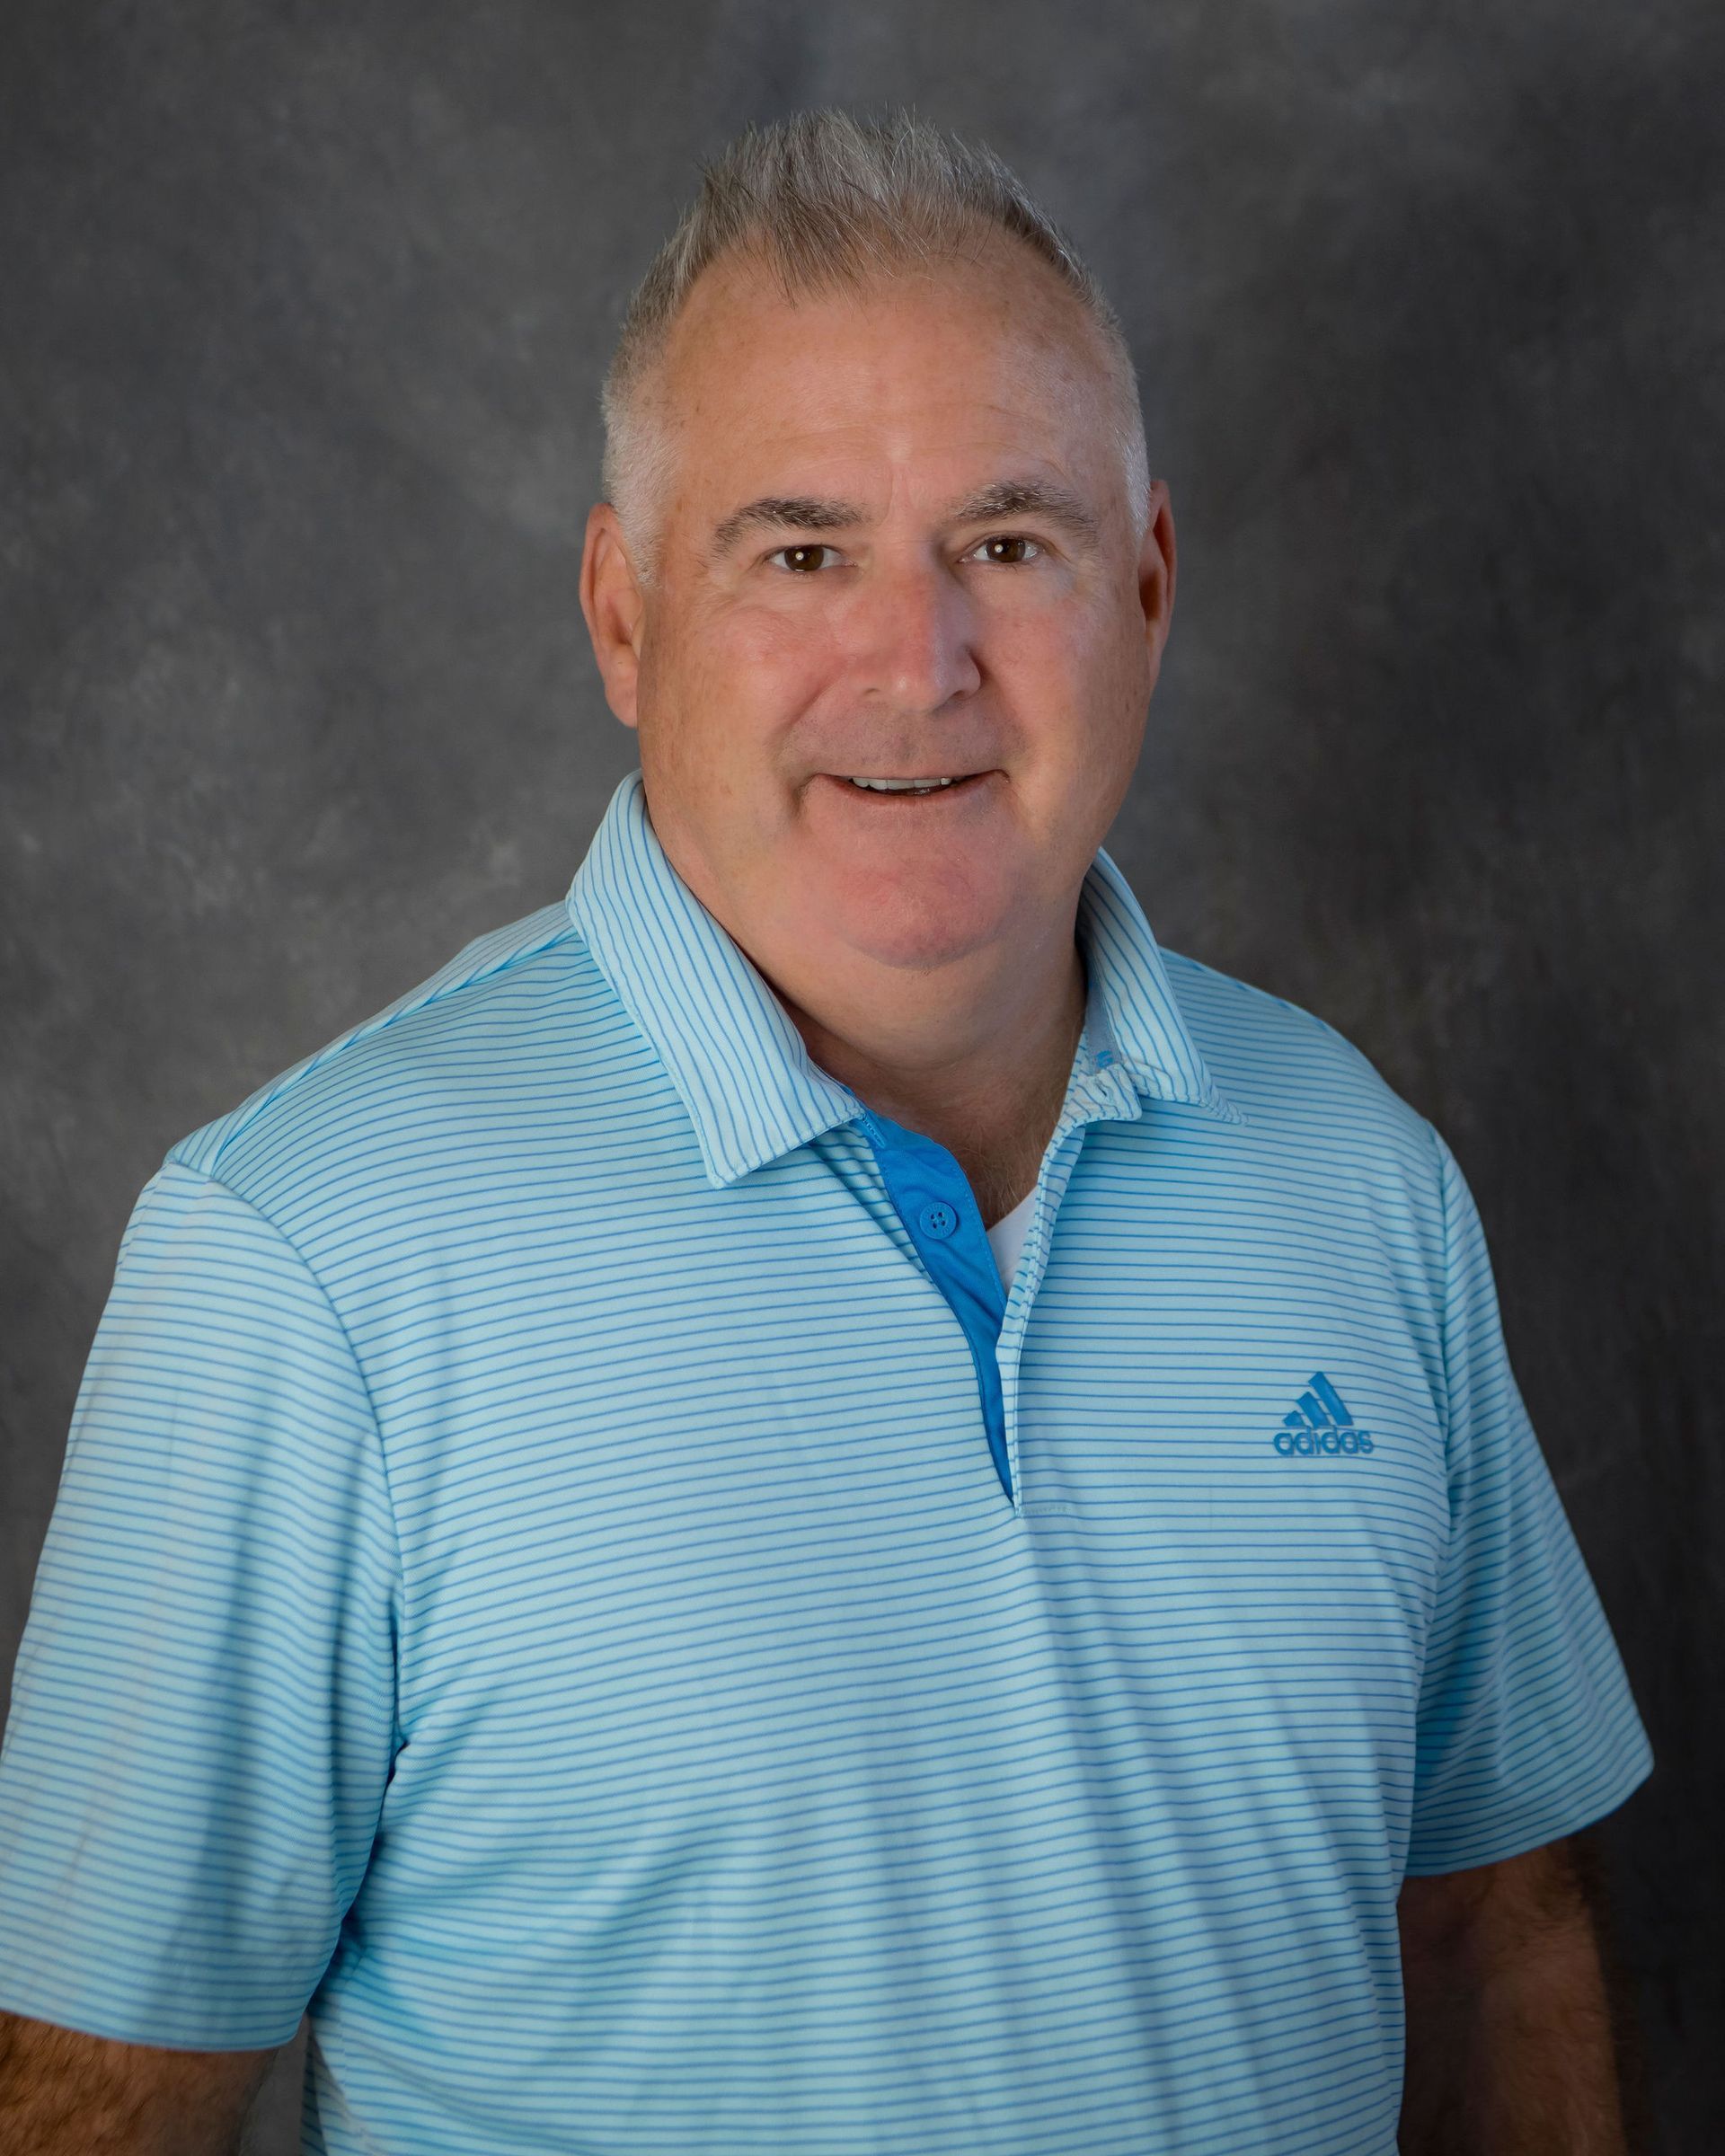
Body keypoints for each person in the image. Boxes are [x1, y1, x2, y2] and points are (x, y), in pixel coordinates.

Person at [0, 108, 1653, 2156]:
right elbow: (100, 2102)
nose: (916, 664)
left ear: (1148, 580)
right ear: (622, 619)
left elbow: (1496, 1928)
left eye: (1010, 541)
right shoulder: (304, 1256)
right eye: (801, 553)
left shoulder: (1360, 1177)